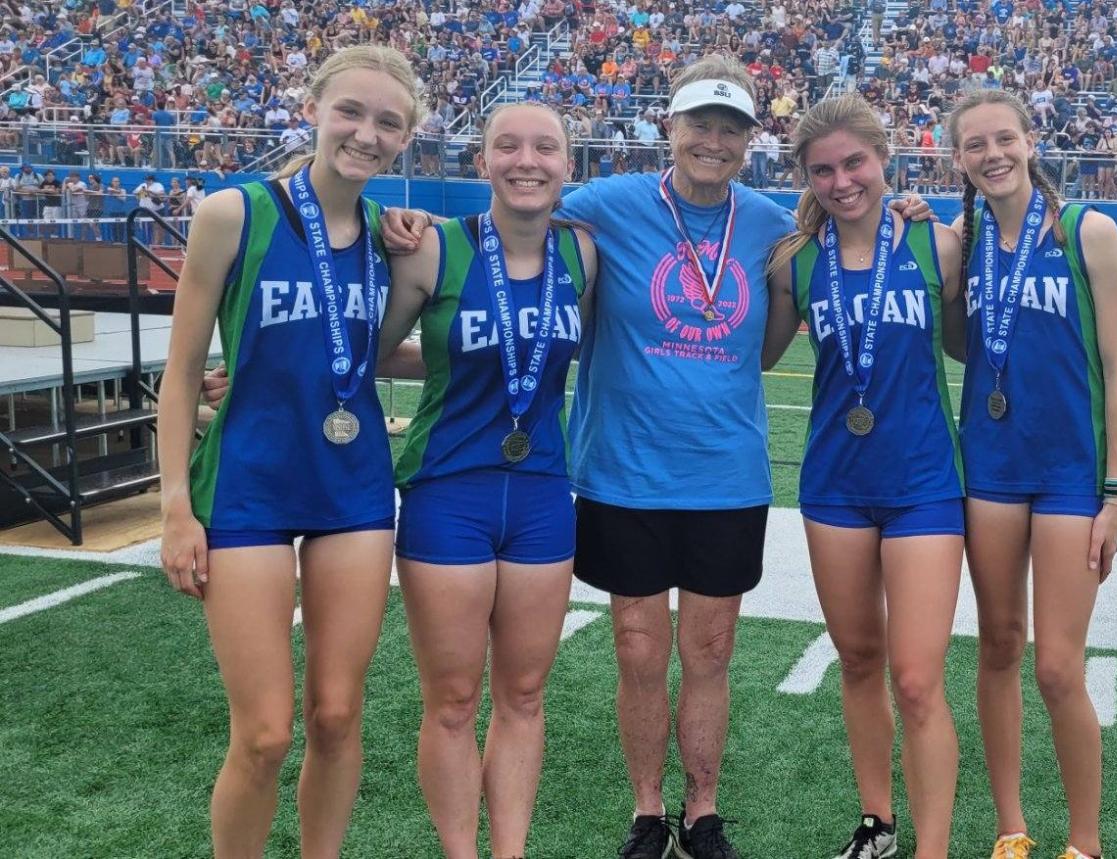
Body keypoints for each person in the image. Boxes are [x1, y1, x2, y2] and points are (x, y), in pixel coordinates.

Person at [380, 54, 934, 859]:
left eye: (730, 128)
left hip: (727, 472)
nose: (713, 140)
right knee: (638, 648)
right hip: (621, 470)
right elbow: (514, 213)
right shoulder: (603, 206)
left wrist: (904, 203)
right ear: (668, 128)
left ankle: (702, 810)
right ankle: (648, 812)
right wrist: (419, 226)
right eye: (699, 124)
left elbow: (839, 255)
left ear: (750, 141)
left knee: (709, 652)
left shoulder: (777, 228)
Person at [157, 46, 423, 859]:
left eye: (389, 122)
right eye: (351, 111)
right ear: (312, 108)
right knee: (266, 732)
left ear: (406, 139)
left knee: (338, 715)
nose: (366, 134)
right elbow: (179, 372)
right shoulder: (233, 213)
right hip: (248, 487)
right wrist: (173, 505)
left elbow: (368, 348)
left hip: (353, 490)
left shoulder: (396, 238)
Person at [374, 102, 598, 859]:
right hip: (448, 492)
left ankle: (511, 851)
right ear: (482, 162)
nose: (526, 160)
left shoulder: (584, 256)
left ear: (570, 165)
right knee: (453, 700)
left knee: (526, 695)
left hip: (541, 495)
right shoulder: (434, 250)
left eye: (545, 147)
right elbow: (368, 351)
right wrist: (240, 374)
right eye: (508, 145)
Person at [761, 95, 965, 859]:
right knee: (858, 659)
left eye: (854, 163)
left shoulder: (935, 243)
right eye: (823, 170)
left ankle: (931, 848)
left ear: (884, 160)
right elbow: (755, 356)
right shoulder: (794, 262)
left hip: (924, 484)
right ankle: (877, 821)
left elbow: (971, 352)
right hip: (835, 484)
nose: (842, 181)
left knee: (915, 678)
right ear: (806, 178)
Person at [946, 89, 1117, 859]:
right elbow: (965, 345)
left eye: (1003, 139)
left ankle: (1084, 843)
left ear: (1031, 140)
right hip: (989, 466)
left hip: (1069, 474)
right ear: (957, 158)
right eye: (974, 146)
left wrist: (1116, 493)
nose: (991, 155)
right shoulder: (963, 237)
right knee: (997, 646)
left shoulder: (1089, 229)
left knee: (1057, 666)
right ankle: (1011, 827)